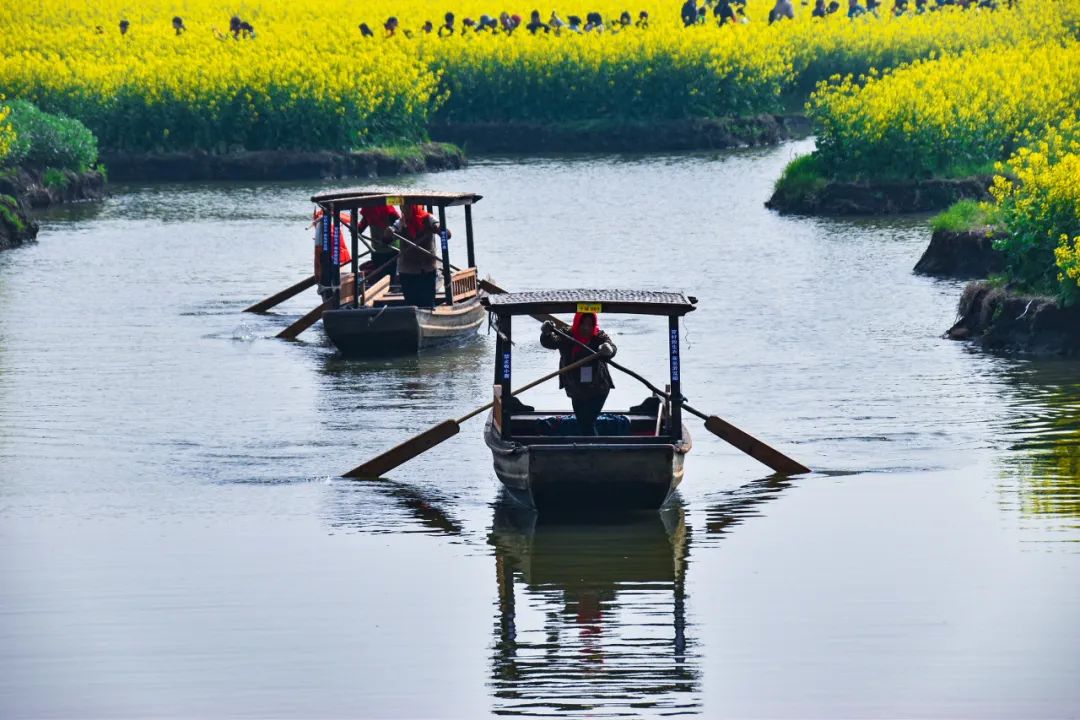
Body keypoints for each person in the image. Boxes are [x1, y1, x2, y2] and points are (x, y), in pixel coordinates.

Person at [540, 313, 616, 436]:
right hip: (576, 389)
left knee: (588, 423)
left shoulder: (598, 336)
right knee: (582, 423)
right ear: (577, 323)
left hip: (598, 389)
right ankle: (589, 449)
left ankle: (592, 451)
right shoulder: (566, 335)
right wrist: (546, 333)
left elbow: (611, 347)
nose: (586, 328)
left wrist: (609, 349)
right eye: (583, 324)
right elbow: (549, 342)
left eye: (590, 325)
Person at [396, 202, 445, 309]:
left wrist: (439, 229)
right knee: (411, 304)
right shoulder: (401, 222)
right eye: (402, 207)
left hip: (427, 269)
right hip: (407, 270)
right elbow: (386, 239)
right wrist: (389, 233)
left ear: (414, 206)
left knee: (427, 303)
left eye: (407, 206)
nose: (405, 210)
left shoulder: (429, 218)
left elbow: (446, 234)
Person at [312, 210, 353, 298]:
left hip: (333, 256)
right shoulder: (325, 222)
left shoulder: (327, 221)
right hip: (332, 256)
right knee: (331, 275)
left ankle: (332, 293)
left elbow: (318, 252)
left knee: (333, 274)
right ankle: (332, 293)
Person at [358, 203, 401, 283]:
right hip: (377, 250)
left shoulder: (390, 212)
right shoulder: (368, 211)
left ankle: (390, 287)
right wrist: (354, 226)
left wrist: (389, 238)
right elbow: (360, 229)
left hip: (392, 249)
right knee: (381, 276)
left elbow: (400, 227)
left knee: (389, 275)